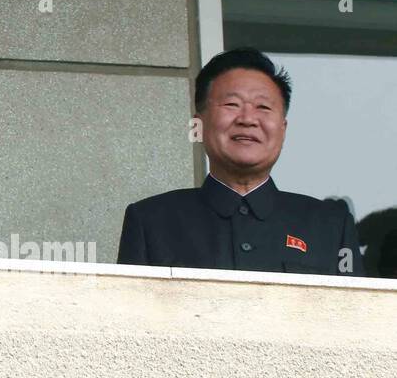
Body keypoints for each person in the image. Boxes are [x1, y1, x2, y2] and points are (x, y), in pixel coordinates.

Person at [117, 47, 363, 275]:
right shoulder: (151, 221)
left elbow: (357, 317)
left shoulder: (330, 225)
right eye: (232, 104)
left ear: (283, 129)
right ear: (198, 124)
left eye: (263, 107)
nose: (248, 119)